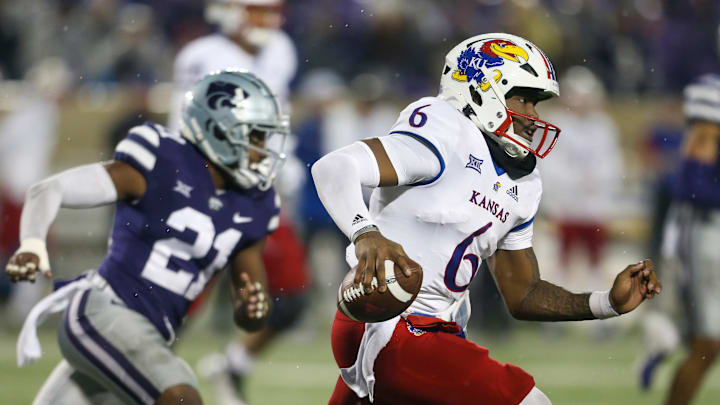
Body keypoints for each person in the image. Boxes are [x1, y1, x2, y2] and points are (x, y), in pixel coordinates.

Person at [312, 33, 662, 404]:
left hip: (436, 332)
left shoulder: (523, 182)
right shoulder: (444, 130)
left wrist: (607, 302)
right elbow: (335, 167)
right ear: (482, 91)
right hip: (387, 321)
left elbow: (523, 293)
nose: (533, 115)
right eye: (523, 99)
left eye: (536, 103)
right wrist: (365, 232)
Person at [5, 69, 286, 405]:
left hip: (149, 337)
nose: (262, 150)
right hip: (104, 311)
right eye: (254, 136)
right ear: (217, 129)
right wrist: (32, 242)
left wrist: (253, 306)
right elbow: (48, 189)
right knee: (182, 397)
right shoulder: (161, 159)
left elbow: (248, 296)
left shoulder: (257, 202)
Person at [662, 74, 720, 405]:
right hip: (705, 235)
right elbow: (696, 193)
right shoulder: (704, 132)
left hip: (707, 234)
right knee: (706, 345)